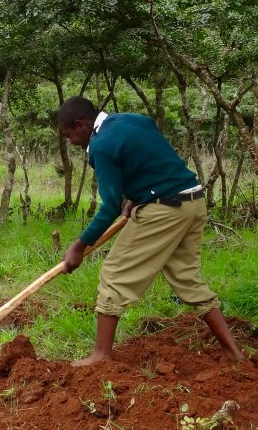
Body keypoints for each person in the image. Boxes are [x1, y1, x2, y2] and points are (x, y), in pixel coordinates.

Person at [56, 96, 244, 366]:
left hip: (165, 210)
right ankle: (233, 352)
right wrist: (138, 193)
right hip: (192, 200)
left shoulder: (102, 146)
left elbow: (109, 206)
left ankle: (100, 355)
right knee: (187, 278)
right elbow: (151, 160)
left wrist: (80, 245)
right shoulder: (132, 119)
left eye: (69, 134)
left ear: (81, 124)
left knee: (114, 274)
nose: (71, 141)